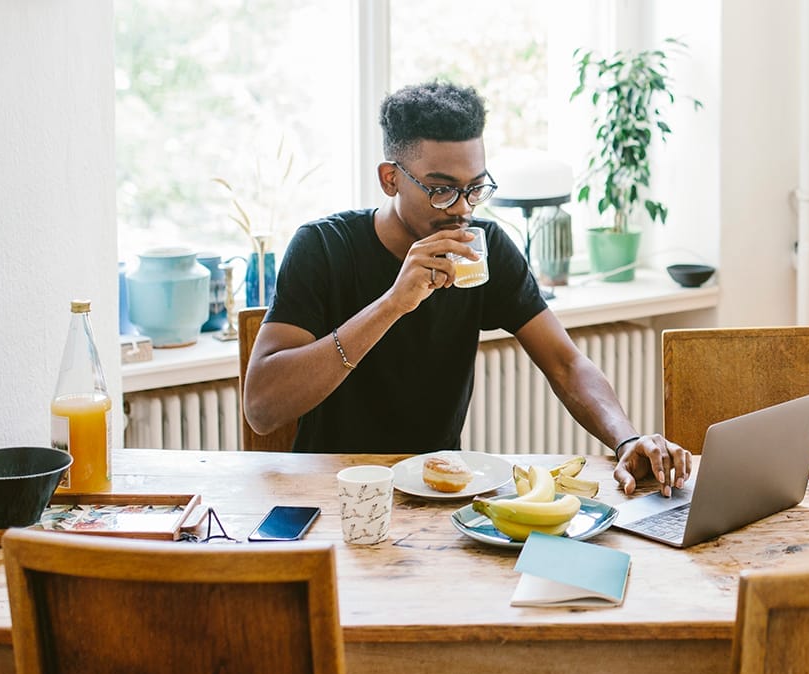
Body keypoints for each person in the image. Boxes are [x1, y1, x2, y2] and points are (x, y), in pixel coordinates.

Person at [244, 81, 691, 497]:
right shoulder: (323, 247)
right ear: (390, 178)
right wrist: (393, 304)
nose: (461, 209)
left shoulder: (487, 247)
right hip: (336, 488)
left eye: (475, 188)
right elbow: (262, 409)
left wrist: (625, 437)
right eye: (441, 190)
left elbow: (566, 363)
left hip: (440, 488)